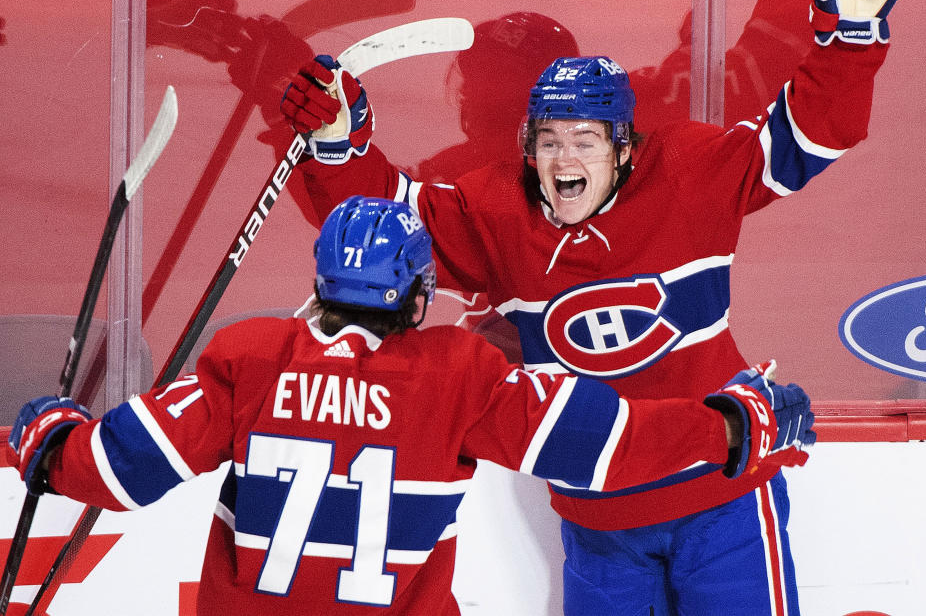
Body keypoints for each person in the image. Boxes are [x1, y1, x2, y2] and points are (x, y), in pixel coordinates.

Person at [278, 0, 922, 615]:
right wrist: (340, 144)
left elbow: (804, 137)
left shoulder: (689, 174)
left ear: (623, 147)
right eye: (548, 141)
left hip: (724, 499)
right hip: (600, 521)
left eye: (584, 140)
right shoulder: (497, 211)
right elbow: (390, 218)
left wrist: (851, 41)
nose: (564, 160)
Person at [8, 196, 813, 615]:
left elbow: (117, 472)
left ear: (321, 282)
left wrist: (46, 438)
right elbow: (603, 445)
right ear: (418, 293)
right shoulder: (455, 372)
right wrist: (734, 422)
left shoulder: (251, 357)